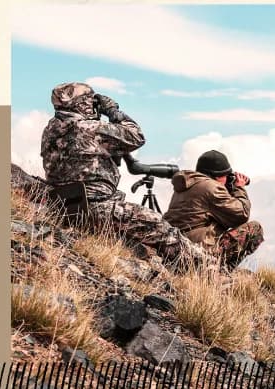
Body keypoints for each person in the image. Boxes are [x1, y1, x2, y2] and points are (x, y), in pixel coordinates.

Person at [40, 82, 217, 268]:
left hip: (64, 205)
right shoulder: (89, 128)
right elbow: (136, 135)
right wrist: (113, 111)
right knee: (158, 224)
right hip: (93, 207)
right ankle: (207, 268)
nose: (94, 105)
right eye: (91, 101)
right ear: (82, 103)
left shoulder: (51, 130)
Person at [163, 150, 264, 270]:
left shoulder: (186, 186)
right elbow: (242, 214)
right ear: (217, 176)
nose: (227, 179)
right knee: (254, 229)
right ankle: (222, 271)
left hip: (175, 249)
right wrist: (239, 188)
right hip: (198, 252)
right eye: (226, 176)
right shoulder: (211, 187)